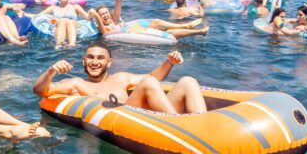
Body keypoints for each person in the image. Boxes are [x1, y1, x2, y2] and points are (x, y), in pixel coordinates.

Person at [34, 44, 207, 115]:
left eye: (100, 58)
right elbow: (40, 91)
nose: (95, 62)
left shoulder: (121, 78)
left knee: (187, 81)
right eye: (90, 58)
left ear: (109, 63)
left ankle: (201, 124)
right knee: (148, 83)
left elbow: (154, 78)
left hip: (150, 117)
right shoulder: (77, 83)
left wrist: (169, 62)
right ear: (84, 61)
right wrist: (50, 72)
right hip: (127, 121)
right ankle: (180, 126)